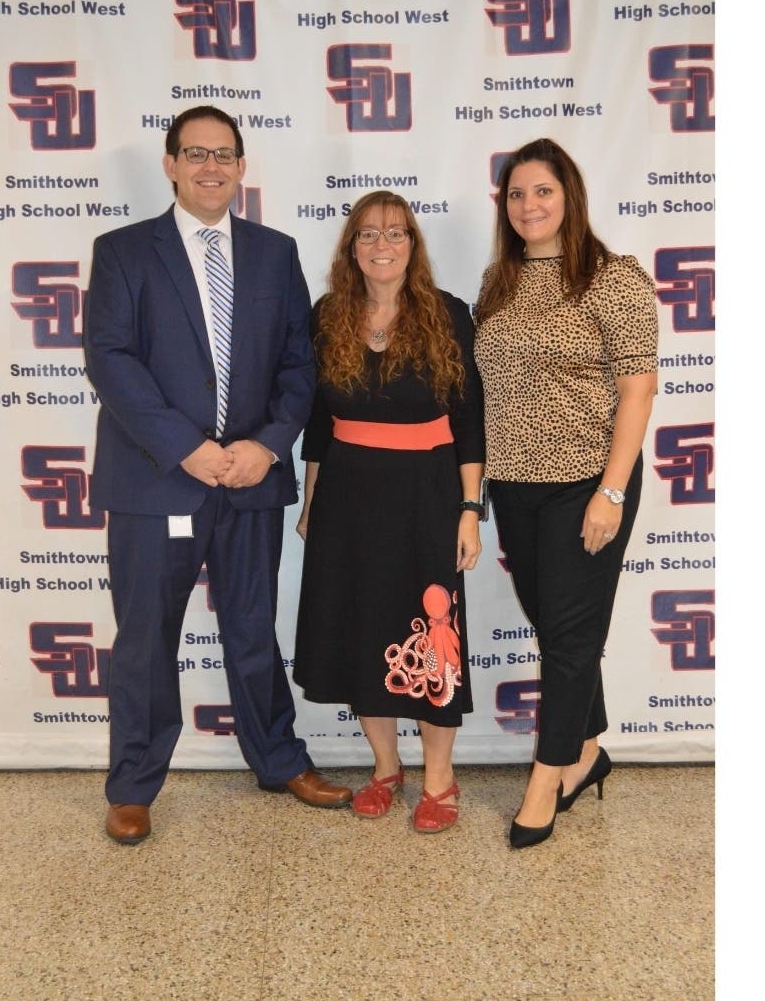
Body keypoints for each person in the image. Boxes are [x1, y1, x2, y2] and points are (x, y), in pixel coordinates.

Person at [84, 105, 352, 845]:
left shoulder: (273, 252)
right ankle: (134, 784)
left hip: (251, 479)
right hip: (155, 479)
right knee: (144, 639)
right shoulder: (124, 252)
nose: (211, 167)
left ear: (241, 166)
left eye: (225, 154)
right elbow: (111, 361)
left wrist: (267, 445)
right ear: (170, 164)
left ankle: (279, 759)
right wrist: (189, 449)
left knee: (251, 628)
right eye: (196, 153)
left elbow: (301, 364)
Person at [473, 138, 659, 850]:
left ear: (569, 196)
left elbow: (637, 388)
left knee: (571, 638)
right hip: (516, 485)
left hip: (588, 479)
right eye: (517, 194)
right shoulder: (499, 281)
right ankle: (587, 750)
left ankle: (546, 780)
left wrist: (611, 491)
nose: (529, 205)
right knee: (556, 627)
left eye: (542, 191)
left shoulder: (612, 278)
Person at [292, 191, 485, 834]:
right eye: (369, 234)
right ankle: (384, 768)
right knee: (359, 631)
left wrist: (468, 509)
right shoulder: (327, 317)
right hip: (346, 496)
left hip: (426, 496)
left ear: (413, 246)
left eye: (396, 234)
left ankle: (439, 778)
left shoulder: (447, 314)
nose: (382, 245)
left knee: (432, 641)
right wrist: (312, 499)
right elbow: (318, 423)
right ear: (352, 248)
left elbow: (469, 419)